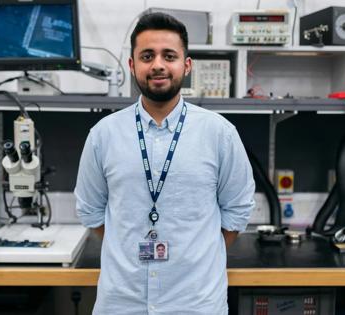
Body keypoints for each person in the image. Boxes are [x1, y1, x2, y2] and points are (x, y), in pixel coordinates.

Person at [74, 12, 255, 315]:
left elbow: (237, 212)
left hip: (195, 303)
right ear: (133, 66)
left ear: (186, 65)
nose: (158, 64)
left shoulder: (219, 134)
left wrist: (194, 260)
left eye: (168, 55)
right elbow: (91, 211)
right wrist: (126, 250)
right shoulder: (103, 136)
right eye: (147, 56)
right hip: (122, 303)